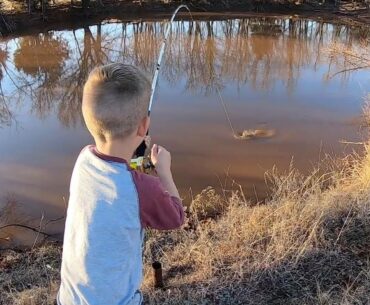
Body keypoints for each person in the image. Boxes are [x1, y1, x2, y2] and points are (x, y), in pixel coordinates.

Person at [57, 63, 185, 305]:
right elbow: (176, 217)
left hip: (70, 298)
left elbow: (117, 173)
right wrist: (163, 170)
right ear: (144, 126)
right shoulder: (144, 188)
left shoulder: (84, 159)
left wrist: (135, 150)